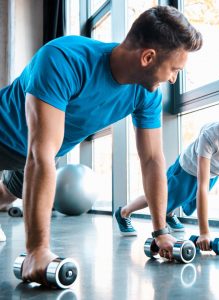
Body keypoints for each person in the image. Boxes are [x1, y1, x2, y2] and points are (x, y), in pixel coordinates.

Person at [0, 5, 203, 284]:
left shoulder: (146, 95)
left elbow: (153, 160)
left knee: (6, 195)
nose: (173, 79)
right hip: (9, 139)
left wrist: (160, 231)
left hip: (35, 155)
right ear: (148, 57)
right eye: (174, 70)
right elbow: (40, 154)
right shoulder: (65, 58)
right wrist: (36, 251)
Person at [116, 87, 219, 249]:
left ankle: (169, 213)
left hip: (213, 173)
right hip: (187, 169)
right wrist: (204, 232)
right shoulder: (211, 136)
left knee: (184, 201)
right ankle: (124, 212)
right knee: (160, 197)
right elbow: (201, 185)